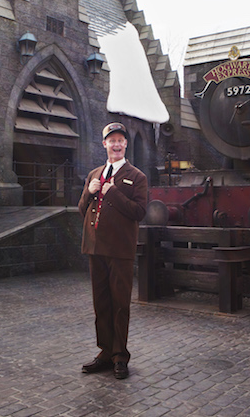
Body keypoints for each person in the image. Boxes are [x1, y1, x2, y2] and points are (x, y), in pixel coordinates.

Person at [78, 122, 147, 380]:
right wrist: (89, 191)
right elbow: (81, 209)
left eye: (120, 140)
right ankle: (105, 352)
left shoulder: (136, 176)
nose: (116, 145)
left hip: (120, 250)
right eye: (111, 140)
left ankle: (120, 356)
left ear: (125, 145)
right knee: (102, 304)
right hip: (95, 248)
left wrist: (114, 192)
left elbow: (139, 212)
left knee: (120, 305)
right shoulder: (94, 174)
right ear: (104, 144)